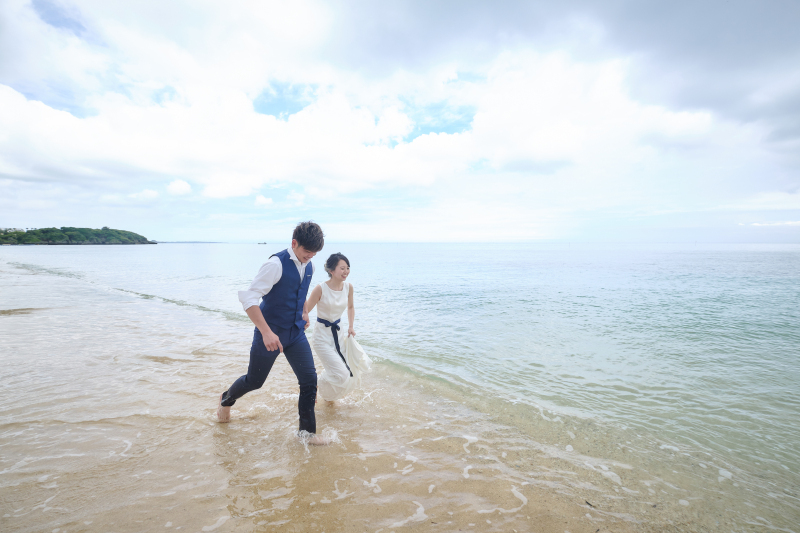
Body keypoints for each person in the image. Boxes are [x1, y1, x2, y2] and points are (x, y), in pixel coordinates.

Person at [217, 221, 328, 445]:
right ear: (294, 243)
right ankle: (225, 400)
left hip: (295, 334)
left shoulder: (310, 266)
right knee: (254, 381)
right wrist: (266, 332)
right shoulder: (275, 264)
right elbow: (249, 299)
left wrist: (304, 311)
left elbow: (300, 292)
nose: (310, 257)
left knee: (309, 380)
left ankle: (306, 435)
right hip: (269, 334)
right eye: (307, 252)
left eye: (314, 254)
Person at [304, 252, 370, 403]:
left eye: (347, 268)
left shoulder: (348, 287)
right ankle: (315, 383)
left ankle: (328, 400)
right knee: (341, 374)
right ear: (331, 270)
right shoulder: (320, 289)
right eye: (342, 268)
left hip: (339, 336)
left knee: (350, 371)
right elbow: (306, 310)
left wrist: (351, 327)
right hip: (321, 338)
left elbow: (351, 307)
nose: (346, 271)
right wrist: (299, 325)